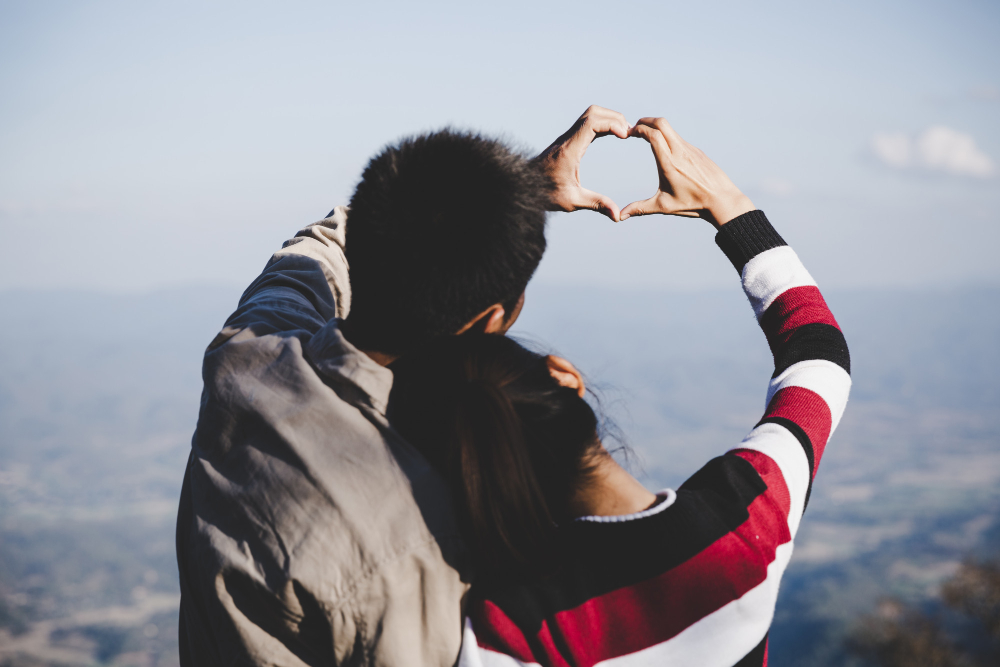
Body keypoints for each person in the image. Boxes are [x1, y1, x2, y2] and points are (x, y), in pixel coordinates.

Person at [175, 106, 632, 665]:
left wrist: (515, 193)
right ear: (489, 323)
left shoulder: (249, 355)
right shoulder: (417, 550)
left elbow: (317, 250)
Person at [389, 117, 852, 667]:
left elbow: (400, 364)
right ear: (565, 377)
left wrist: (517, 203)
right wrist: (727, 205)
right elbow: (819, 359)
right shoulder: (740, 533)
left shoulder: (489, 632)